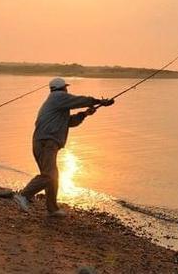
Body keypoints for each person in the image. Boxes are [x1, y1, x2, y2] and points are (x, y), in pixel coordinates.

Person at [13, 77, 113, 217]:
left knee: (52, 176)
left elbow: (69, 123)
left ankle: (52, 209)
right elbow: (79, 101)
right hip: (46, 143)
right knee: (49, 175)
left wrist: (84, 114)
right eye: (66, 88)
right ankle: (23, 195)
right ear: (63, 88)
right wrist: (99, 101)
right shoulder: (58, 97)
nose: (67, 90)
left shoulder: (57, 103)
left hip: (43, 143)